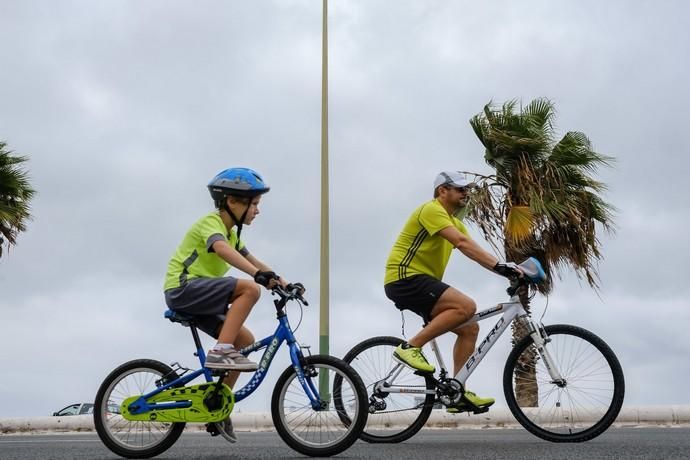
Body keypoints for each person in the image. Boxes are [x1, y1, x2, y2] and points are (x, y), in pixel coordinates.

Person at [163, 166, 302, 441]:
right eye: (254, 204)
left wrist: (284, 282)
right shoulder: (211, 224)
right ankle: (220, 351)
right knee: (250, 290)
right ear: (232, 201)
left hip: (201, 296)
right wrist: (257, 278)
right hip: (183, 288)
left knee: (245, 340)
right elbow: (222, 250)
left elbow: (255, 262)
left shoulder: (233, 233)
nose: (257, 211)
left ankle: (217, 408)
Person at [383, 171, 521, 413]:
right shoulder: (431, 210)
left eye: (467, 190)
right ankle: (410, 348)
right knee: (465, 306)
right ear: (442, 191)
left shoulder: (454, 222)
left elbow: (474, 251)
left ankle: (457, 391)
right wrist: (501, 266)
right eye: (459, 189)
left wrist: (507, 270)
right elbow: (461, 243)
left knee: (469, 328)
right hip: (404, 277)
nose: (465, 193)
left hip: (421, 282)